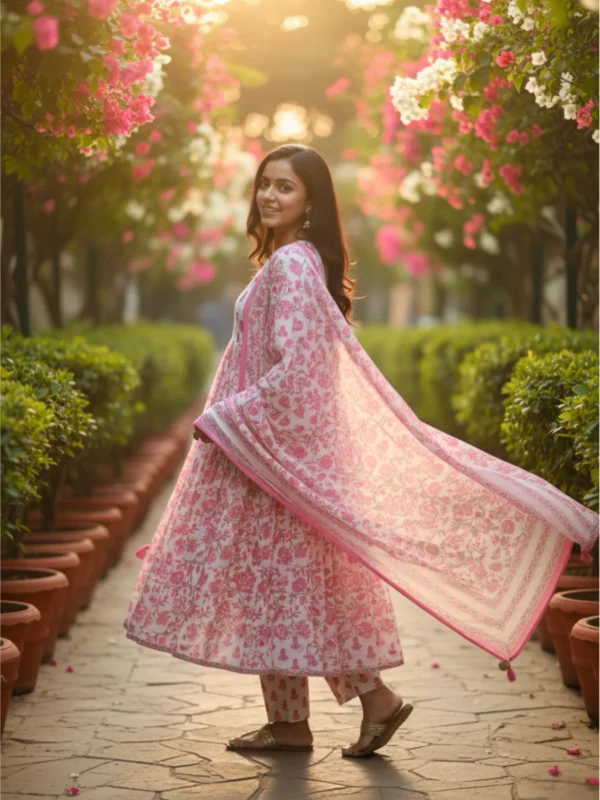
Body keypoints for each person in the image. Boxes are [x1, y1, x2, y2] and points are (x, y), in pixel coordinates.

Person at [124, 144, 598, 759]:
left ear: (310, 201)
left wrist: (226, 417)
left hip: (277, 456)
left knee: (291, 591)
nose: (269, 196)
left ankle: (364, 705)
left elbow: (300, 371)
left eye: (285, 187)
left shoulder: (292, 265)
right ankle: (305, 721)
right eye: (264, 184)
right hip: (271, 455)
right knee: (287, 592)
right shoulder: (291, 261)